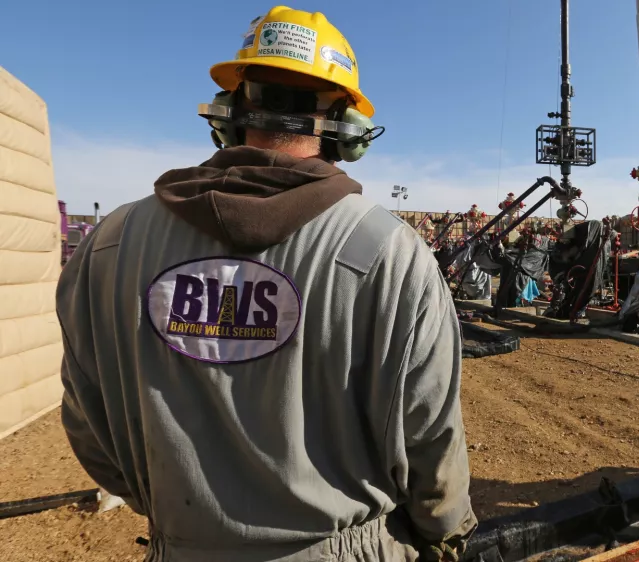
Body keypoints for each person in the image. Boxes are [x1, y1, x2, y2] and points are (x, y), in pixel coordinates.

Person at [56, 6, 476, 562]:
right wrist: (444, 529)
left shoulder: (110, 242)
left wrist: (185, 519)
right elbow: (428, 433)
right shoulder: (390, 252)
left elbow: (87, 417)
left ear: (229, 110)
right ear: (349, 132)